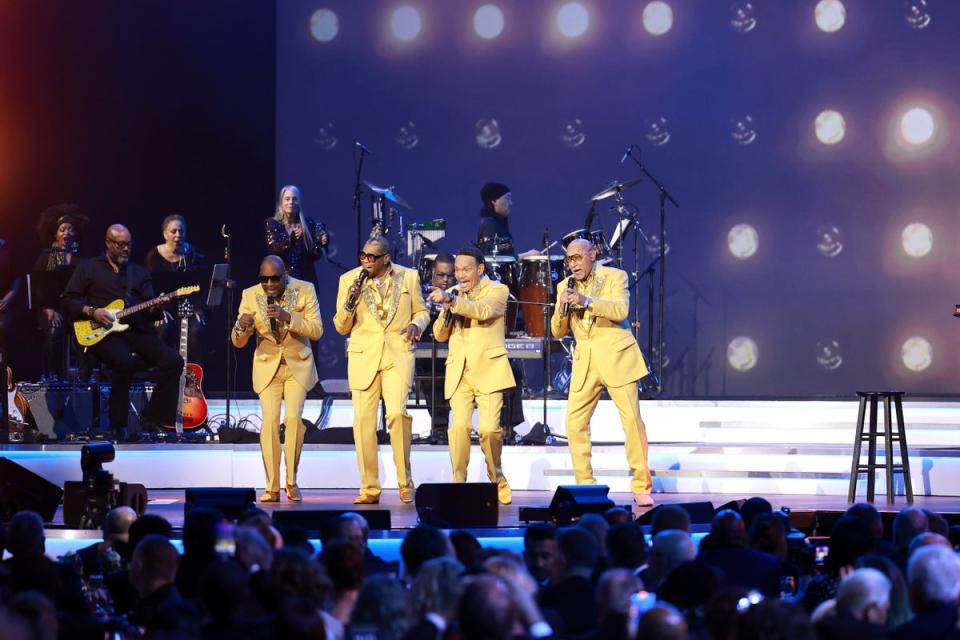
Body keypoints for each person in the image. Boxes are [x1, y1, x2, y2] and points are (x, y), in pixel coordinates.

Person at [550, 238, 654, 506]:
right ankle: (586, 486)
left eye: (577, 258)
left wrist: (585, 300)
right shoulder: (564, 286)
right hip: (585, 362)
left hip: (616, 357)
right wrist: (562, 308)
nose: (573, 264)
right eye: (569, 260)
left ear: (592, 255)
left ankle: (641, 485)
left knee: (631, 421)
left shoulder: (614, 276)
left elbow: (620, 310)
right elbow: (557, 331)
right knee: (574, 424)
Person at [61, 224, 183, 439]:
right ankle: (119, 425)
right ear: (108, 243)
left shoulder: (139, 272)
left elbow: (150, 312)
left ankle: (153, 417)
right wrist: (93, 311)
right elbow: (68, 300)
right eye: (121, 245)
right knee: (124, 362)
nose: (126, 249)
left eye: (129, 245)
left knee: (174, 361)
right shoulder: (89, 268)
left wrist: (157, 306)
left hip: (135, 328)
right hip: (102, 331)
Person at [333, 236, 428, 505]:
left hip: (397, 354)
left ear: (386, 257)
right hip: (364, 357)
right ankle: (369, 486)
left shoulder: (408, 277)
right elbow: (341, 326)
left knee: (397, 414)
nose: (366, 261)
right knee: (363, 422)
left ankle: (404, 481)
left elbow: (422, 312)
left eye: (372, 257)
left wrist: (416, 325)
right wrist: (350, 302)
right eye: (362, 255)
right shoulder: (349, 280)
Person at [428, 247, 515, 505]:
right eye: (457, 270)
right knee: (458, 428)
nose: (460, 274)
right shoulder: (453, 294)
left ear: (480, 269)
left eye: (466, 269)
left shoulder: (498, 290)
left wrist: (453, 302)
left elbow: (483, 311)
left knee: (488, 429)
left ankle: (496, 475)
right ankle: (459, 484)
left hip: (489, 369)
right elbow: (440, 334)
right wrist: (446, 309)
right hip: (459, 371)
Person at [232, 255, 322, 501]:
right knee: (270, 421)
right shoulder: (250, 295)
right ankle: (271, 486)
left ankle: (291, 481)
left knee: (293, 420)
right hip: (267, 366)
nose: (269, 284)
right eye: (264, 279)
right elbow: (238, 342)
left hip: (297, 365)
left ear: (285, 275)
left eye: (274, 278)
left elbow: (316, 330)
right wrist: (241, 326)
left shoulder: (304, 289)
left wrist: (287, 317)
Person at [144, 214, 207, 368]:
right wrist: (156, 309)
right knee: (165, 329)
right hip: (163, 308)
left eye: (181, 231)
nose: (178, 235)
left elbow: (202, 286)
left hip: (188, 307)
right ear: (165, 234)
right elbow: (147, 287)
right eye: (173, 231)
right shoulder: (153, 256)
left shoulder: (192, 254)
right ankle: (164, 376)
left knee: (196, 331)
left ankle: (195, 381)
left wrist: (199, 309)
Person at [33, 204, 88, 379]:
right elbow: (44, 286)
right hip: (53, 308)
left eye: (70, 230)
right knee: (56, 331)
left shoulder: (80, 256)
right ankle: (55, 375)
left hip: (75, 307)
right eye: (62, 230)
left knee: (87, 332)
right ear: (55, 234)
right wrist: (49, 310)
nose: (67, 233)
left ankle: (84, 375)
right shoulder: (51, 255)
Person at [415, 253, 456, 444]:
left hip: (456, 346)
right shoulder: (420, 292)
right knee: (430, 368)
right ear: (432, 273)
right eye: (441, 275)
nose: (446, 280)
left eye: (450, 275)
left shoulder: (460, 292)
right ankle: (439, 428)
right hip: (428, 348)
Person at [264, 184, 328, 283]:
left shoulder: (307, 224)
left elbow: (313, 256)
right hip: (284, 281)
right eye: (287, 199)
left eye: (294, 199)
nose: (291, 202)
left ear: (299, 202)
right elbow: (273, 251)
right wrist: (290, 239)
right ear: (281, 202)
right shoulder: (273, 224)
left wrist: (321, 243)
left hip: (306, 281)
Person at [475, 182, 538, 259]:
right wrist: (525, 256)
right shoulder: (490, 225)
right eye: (507, 198)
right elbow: (492, 258)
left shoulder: (496, 224)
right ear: (494, 201)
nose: (511, 203)